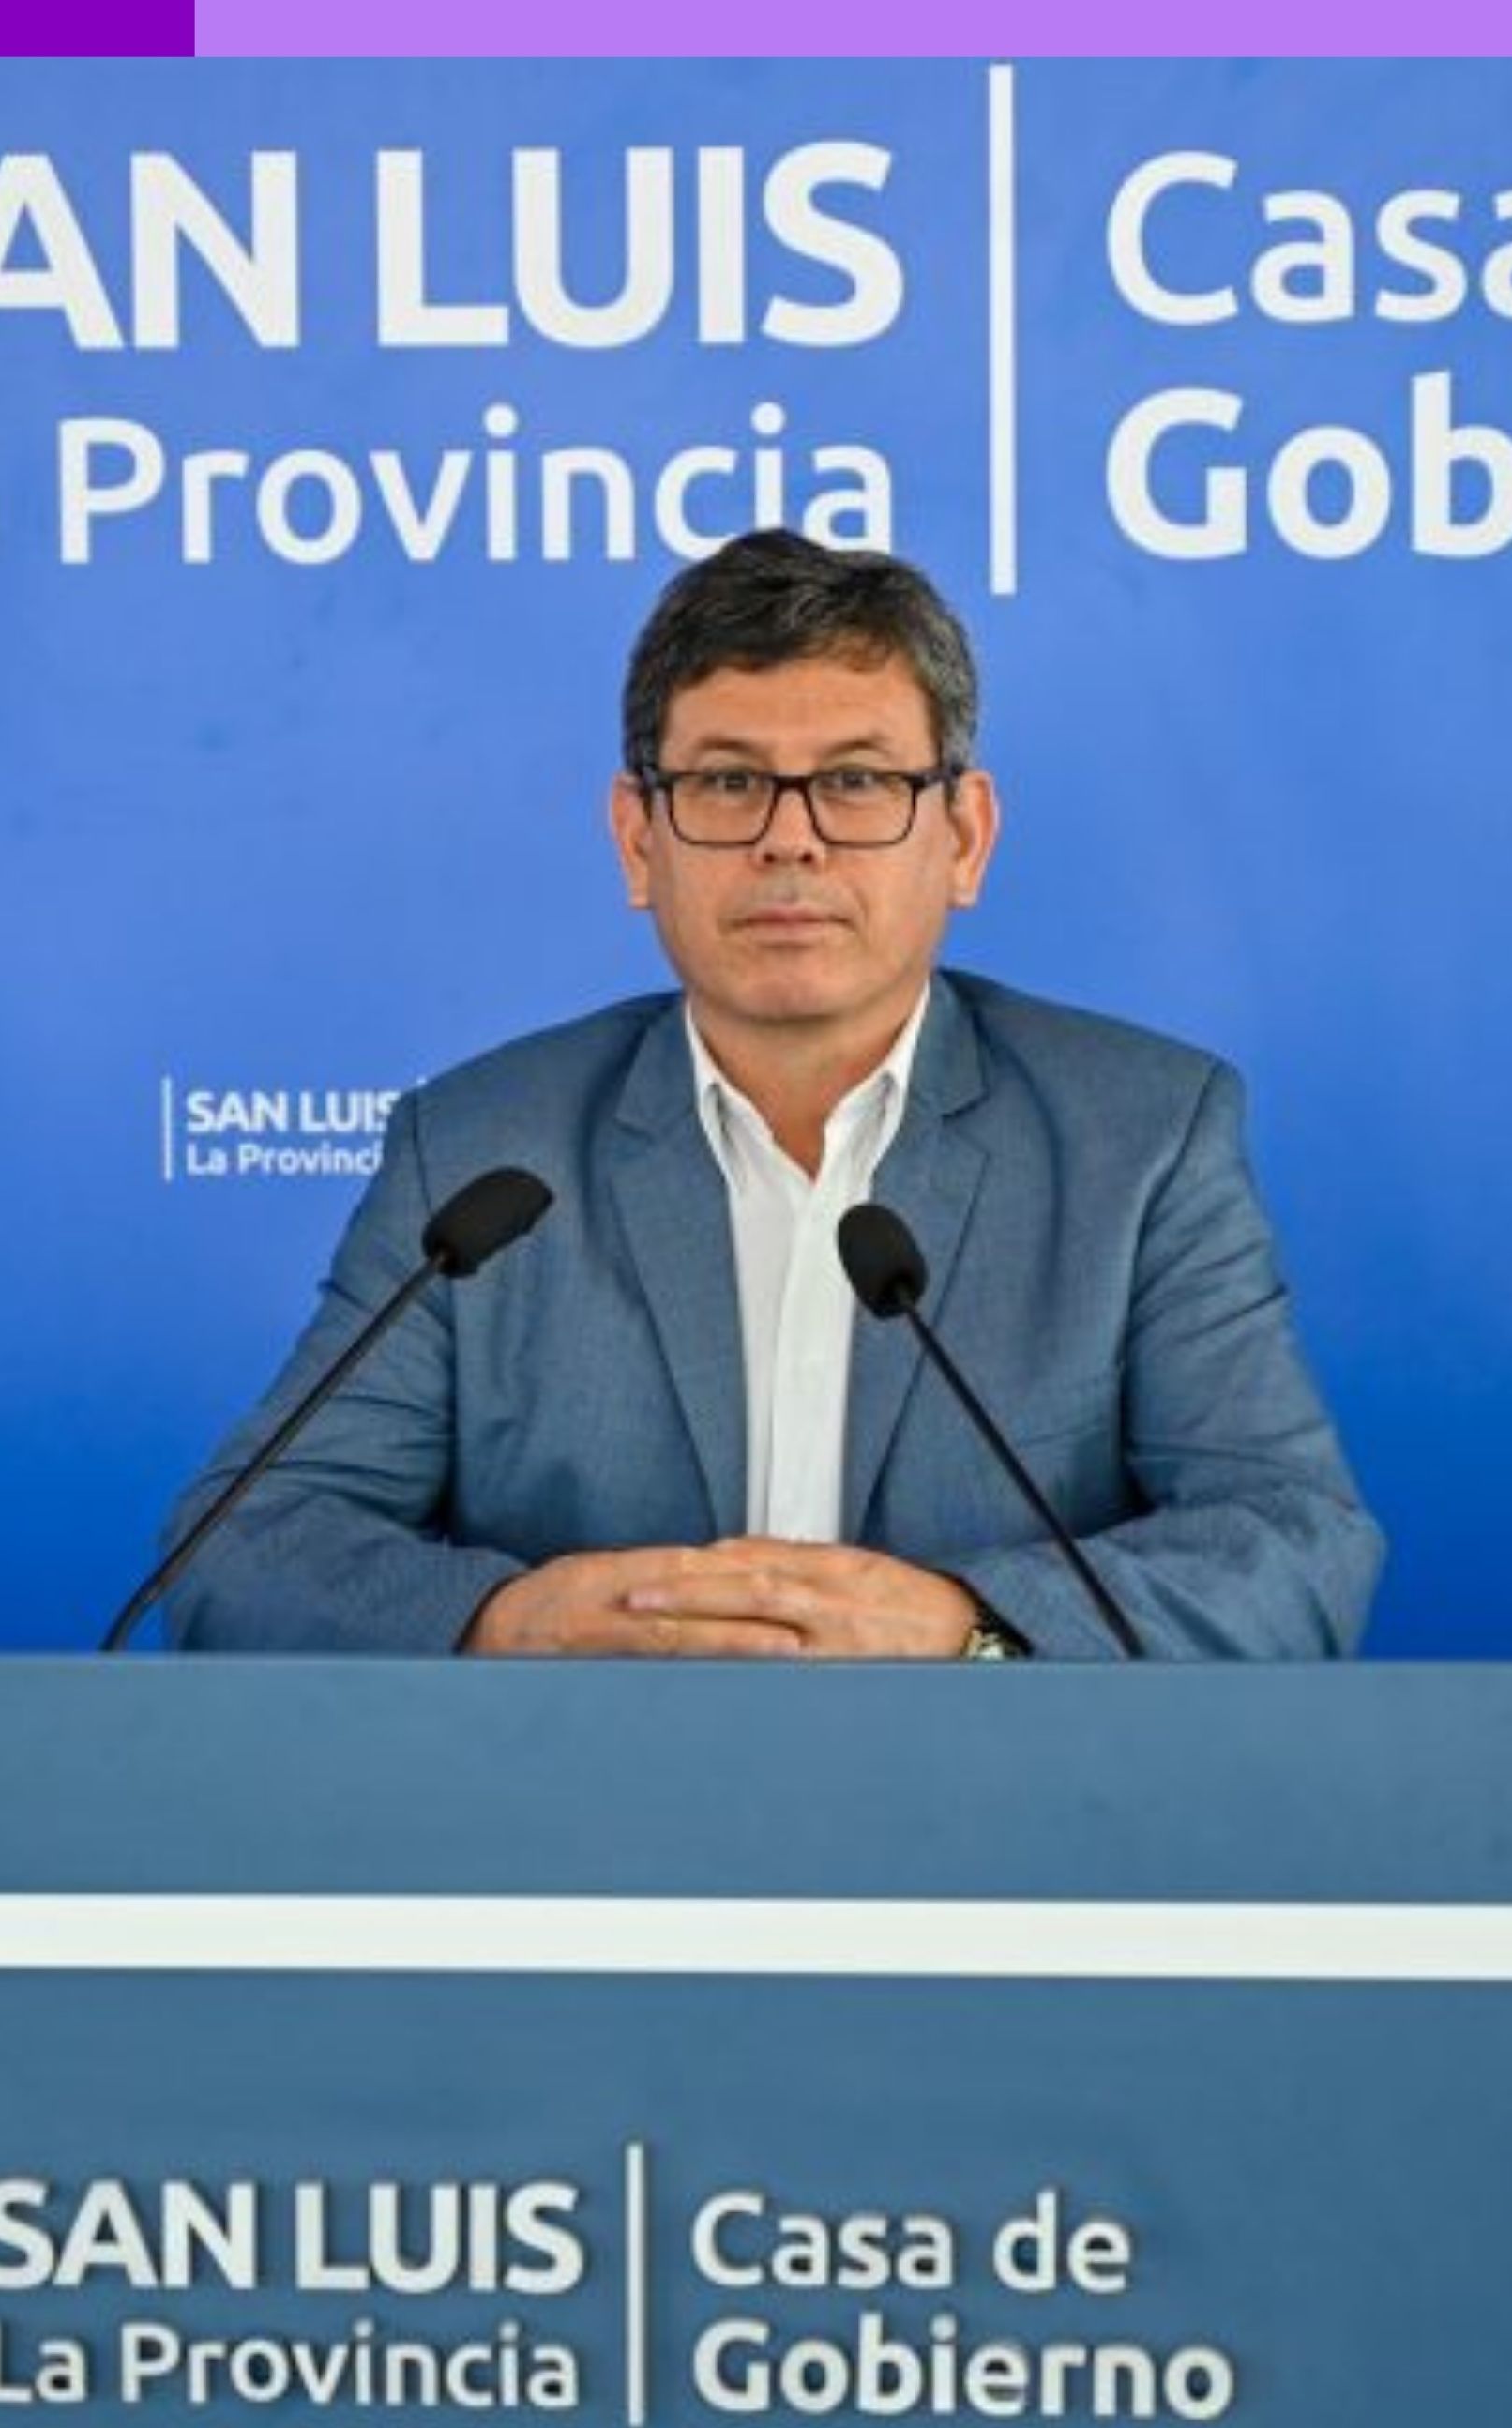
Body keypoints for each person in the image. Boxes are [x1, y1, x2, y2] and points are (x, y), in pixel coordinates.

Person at [158, 530, 1383, 1660]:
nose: (789, 840)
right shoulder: (483, 1150)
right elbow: (245, 1548)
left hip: (1004, 1812)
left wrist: (966, 1626)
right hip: (583, 1808)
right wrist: (514, 1620)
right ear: (639, 839)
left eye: (856, 781)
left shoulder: (1142, 1138)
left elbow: (1293, 1544)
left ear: (964, 837)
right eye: (728, 784)